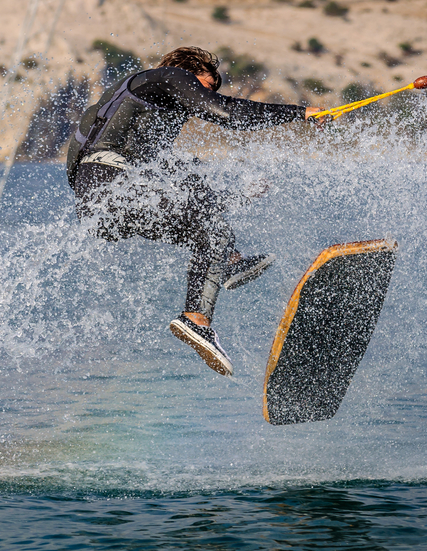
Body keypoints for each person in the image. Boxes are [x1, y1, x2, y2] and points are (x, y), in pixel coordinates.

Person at [66, 46, 325, 376]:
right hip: (114, 185)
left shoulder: (132, 110)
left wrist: (238, 198)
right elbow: (227, 114)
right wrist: (299, 114)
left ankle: (226, 260)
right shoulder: (169, 76)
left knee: (191, 181)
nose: (203, 96)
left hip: (98, 204)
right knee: (207, 220)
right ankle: (196, 319)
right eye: (205, 85)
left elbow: (183, 187)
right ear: (189, 71)